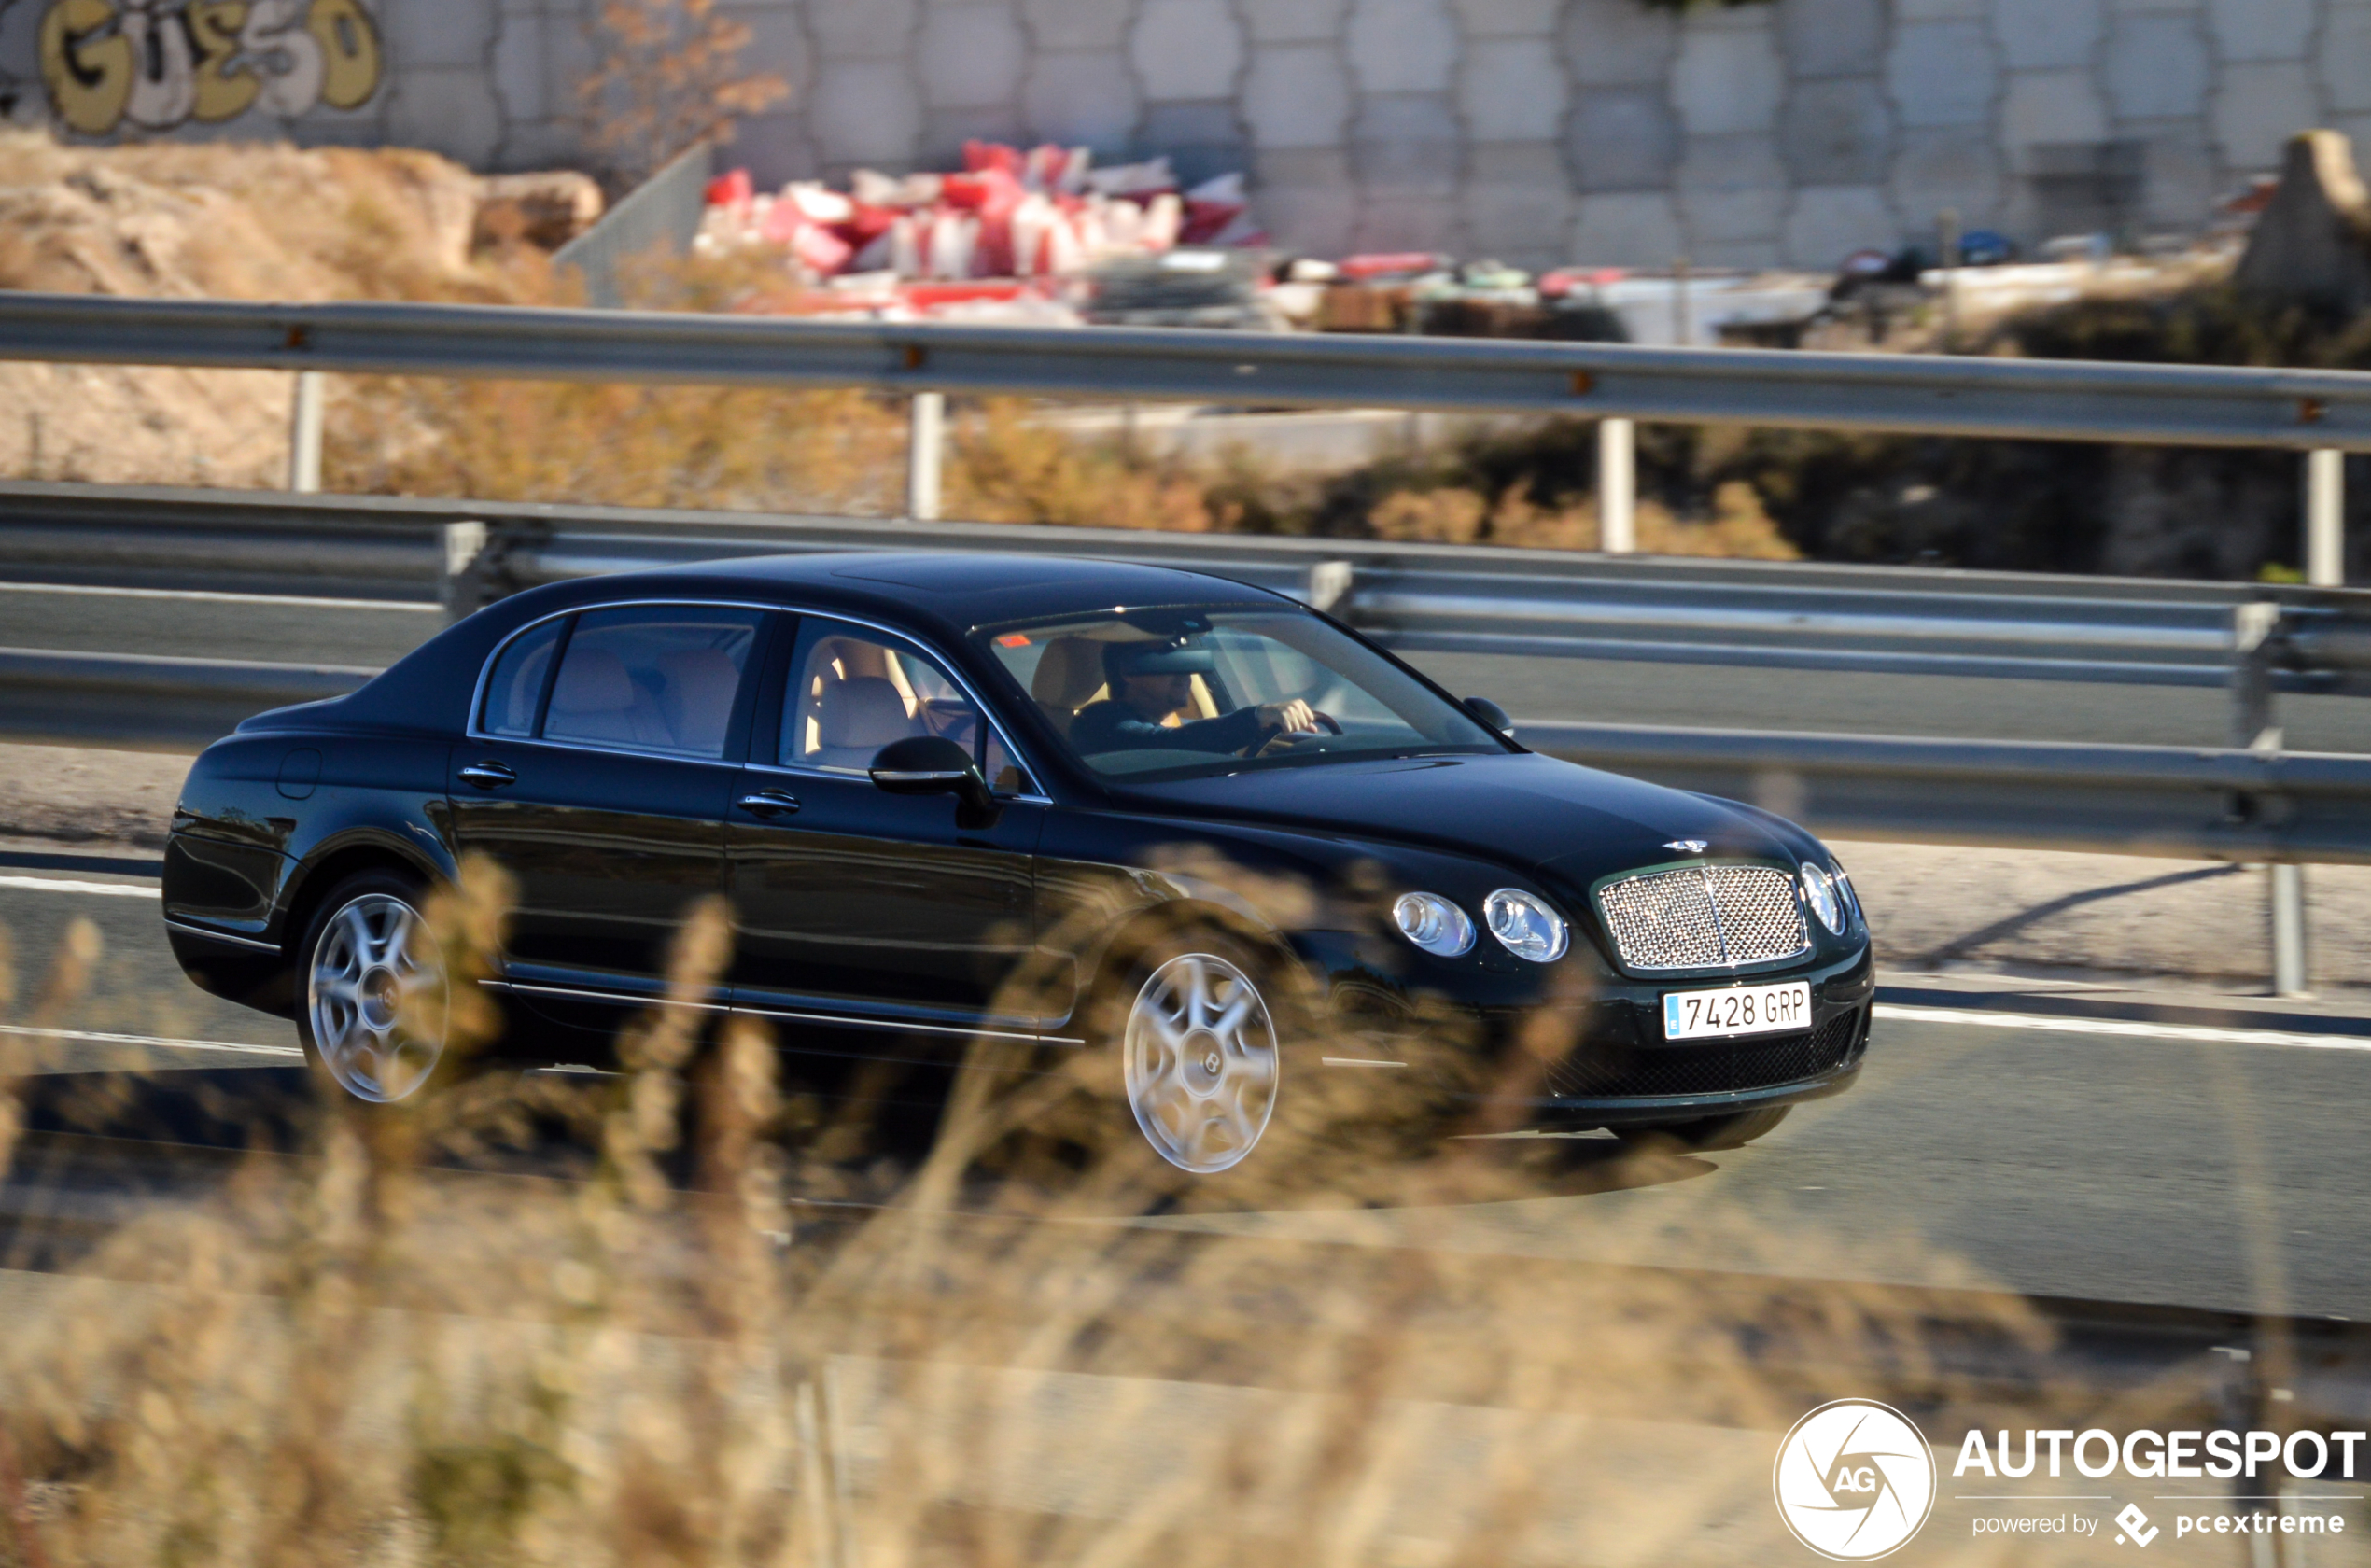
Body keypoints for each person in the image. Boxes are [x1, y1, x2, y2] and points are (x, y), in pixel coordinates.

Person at [1067, 638, 1323, 757]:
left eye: (1186, 662)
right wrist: (1256, 717)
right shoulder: (1099, 722)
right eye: (1165, 663)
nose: (1184, 674)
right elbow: (1166, 747)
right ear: (1127, 672)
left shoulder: (1180, 727)